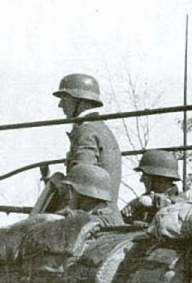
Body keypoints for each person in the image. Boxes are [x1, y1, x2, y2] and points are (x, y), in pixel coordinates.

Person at [52, 73, 122, 206]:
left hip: (92, 212)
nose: (60, 105)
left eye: (65, 98)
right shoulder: (96, 128)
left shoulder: (87, 131)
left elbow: (81, 181)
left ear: (81, 101)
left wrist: (57, 184)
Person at [121, 149, 183, 225]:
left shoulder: (180, 205)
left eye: (144, 176)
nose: (141, 180)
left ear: (159, 180)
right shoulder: (140, 203)